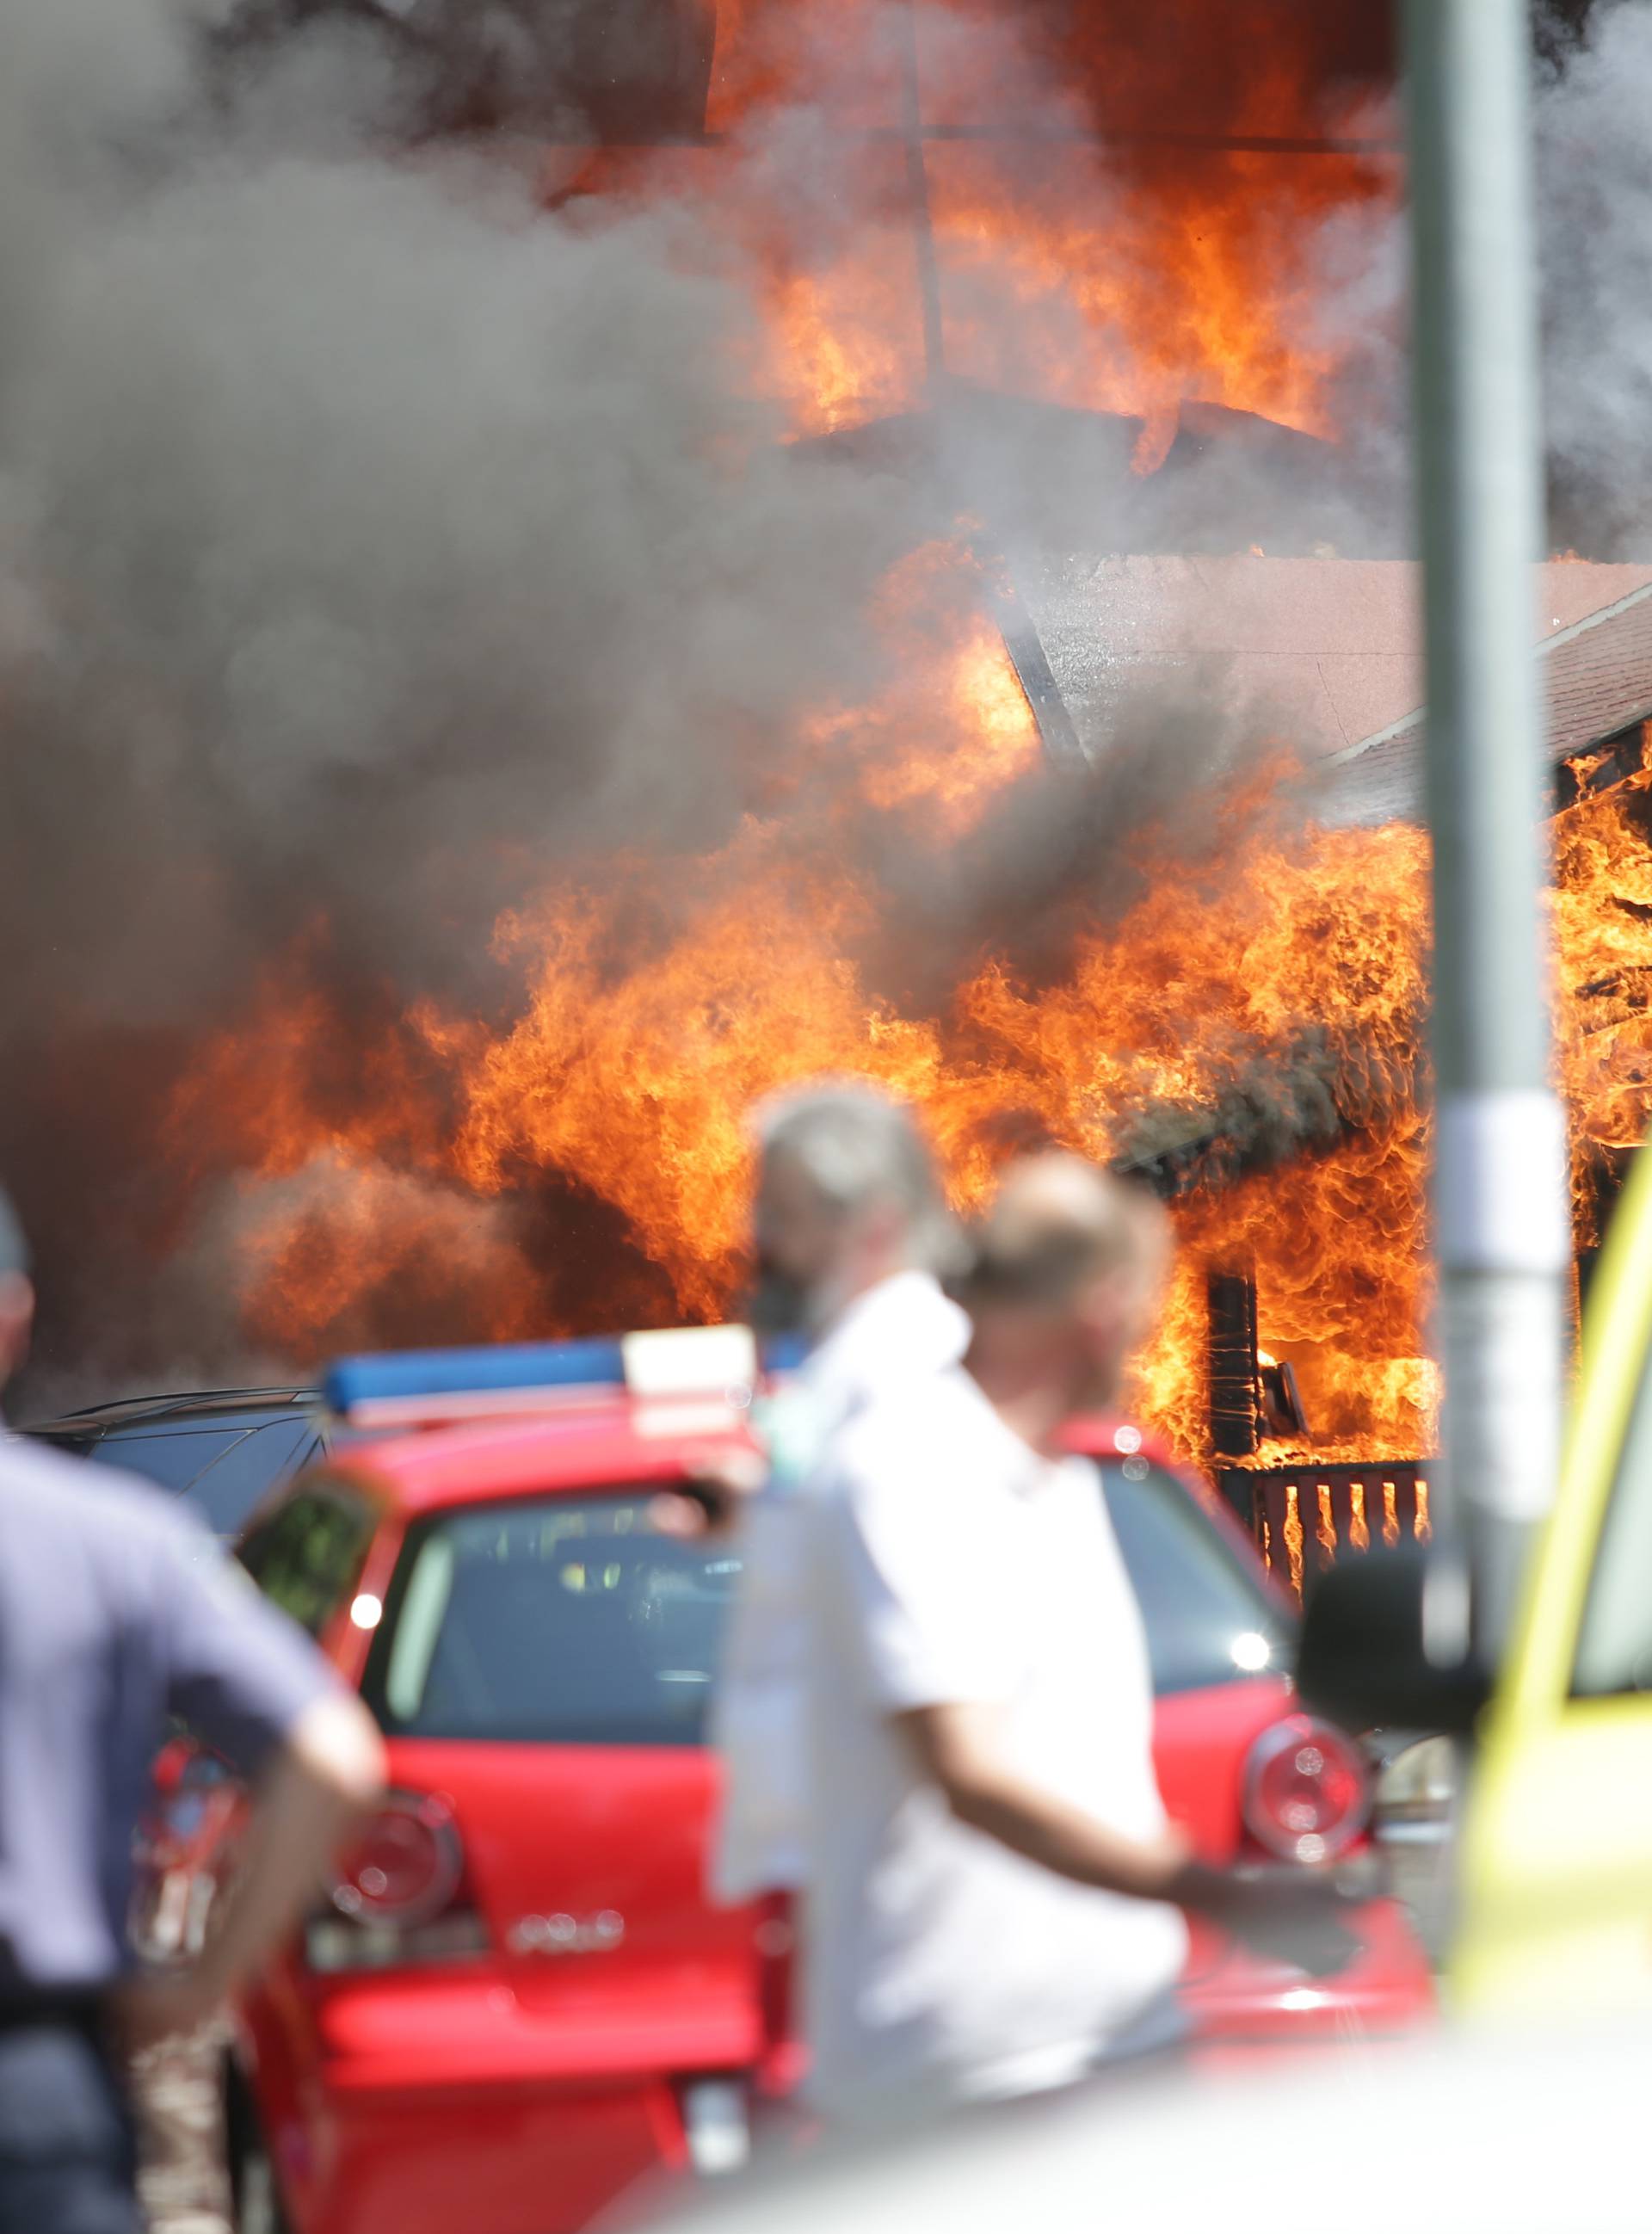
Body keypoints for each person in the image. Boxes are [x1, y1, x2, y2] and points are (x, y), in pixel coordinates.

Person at [800, 1152, 1358, 2126]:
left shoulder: (1066, 1472)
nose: (1143, 1347)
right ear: (1101, 1309)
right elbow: (969, 1772)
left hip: (1120, 2037)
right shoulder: (912, 1466)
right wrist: (1219, 1895)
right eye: (1142, 1318)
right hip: (963, 2076)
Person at [0, 1188, 386, 2232]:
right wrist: (209, 1986)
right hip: (35, 2079)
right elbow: (334, 1757)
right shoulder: (115, 1542)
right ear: (16, 1316)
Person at [706, 1083, 968, 1918]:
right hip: (838, 1891)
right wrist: (758, 1506)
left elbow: (955, 1736)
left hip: (916, 1916)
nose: (762, 1239)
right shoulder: (844, 1386)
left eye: (784, 1213)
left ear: (878, 1222)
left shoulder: (901, 1401)